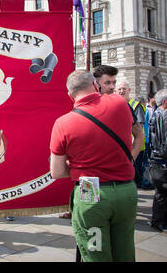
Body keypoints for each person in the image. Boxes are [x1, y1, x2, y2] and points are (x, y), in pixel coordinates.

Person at [50, 70, 142, 262]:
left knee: (95, 253)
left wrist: (78, 167)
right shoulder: (120, 103)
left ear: (70, 95)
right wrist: (129, 160)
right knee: (125, 251)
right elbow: (139, 135)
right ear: (95, 85)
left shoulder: (63, 123)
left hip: (90, 188)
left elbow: (57, 172)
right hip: (126, 187)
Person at [116, 80, 147, 188]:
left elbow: (139, 130)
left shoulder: (135, 105)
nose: (121, 91)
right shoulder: (117, 105)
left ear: (129, 90)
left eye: (124, 89)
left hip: (135, 148)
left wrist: (132, 150)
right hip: (123, 147)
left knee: (133, 177)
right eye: (119, 89)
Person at [147, 89, 167, 232]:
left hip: (158, 156)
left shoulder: (157, 114)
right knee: (162, 192)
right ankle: (158, 220)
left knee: (161, 192)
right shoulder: (162, 115)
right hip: (161, 158)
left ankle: (158, 220)